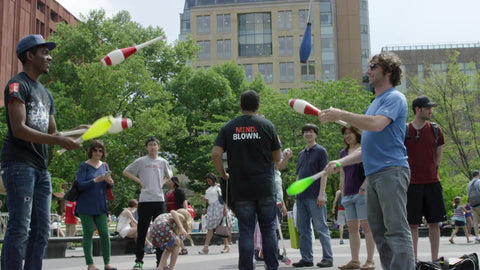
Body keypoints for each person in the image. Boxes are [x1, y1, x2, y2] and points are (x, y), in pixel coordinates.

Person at [320, 52, 415, 269]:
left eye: (373, 66)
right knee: (379, 233)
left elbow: (376, 124)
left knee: (396, 230)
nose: (368, 71)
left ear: (388, 71)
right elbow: (367, 149)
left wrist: (340, 113)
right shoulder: (374, 104)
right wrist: (340, 163)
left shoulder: (394, 98)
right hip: (373, 175)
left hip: (391, 172)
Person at [0, 34, 85, 269]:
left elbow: (54, 133)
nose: (50, 57)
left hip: (40, 169)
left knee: (42, 229)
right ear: (29, 56)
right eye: (44, 53)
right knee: (19, 225)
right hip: (18, 165)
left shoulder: (46, 94)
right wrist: (58, 142)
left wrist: (77, 132)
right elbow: (18, 129)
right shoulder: (17, 85)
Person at [211, 90, 281, 270]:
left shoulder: (228, 127)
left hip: (241, 188)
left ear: (240, 106)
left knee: (246, 231)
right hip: (265, 186)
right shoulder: (267, 125)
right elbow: (277, 158)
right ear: (258, 106)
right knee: (268, 229)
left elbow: (216, 154)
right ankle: (272, 266)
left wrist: (223, 173)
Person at [405, 95, 447, 262]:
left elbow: (439, 155)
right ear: (418, 109)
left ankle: (435, 259)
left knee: (435, 222)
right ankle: (413, 261)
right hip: (411, 184)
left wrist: (431, 171)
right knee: (412, 225)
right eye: (428, 107)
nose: (431, 111)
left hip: (432, 183)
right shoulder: (405, 130)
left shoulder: (436, 129)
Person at [123, 136, 173, 270]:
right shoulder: (141, 161)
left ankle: (160, 262)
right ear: (146, 147)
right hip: (145, 200)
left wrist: (162, 183)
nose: (152, 147)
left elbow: (170, 175)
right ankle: (139, 261)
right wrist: (139, 181)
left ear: (158, 147)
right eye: (150, 145)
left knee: (160, 231)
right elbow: (126, 171)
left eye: (154, 145)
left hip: (159, 200)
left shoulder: (163, 162)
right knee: (142, 230)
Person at [292, 124, 333, 268]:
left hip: (315, 196)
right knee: (303, 229)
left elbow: (325, 173)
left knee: (321, 227)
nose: (308, 134)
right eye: (305, 132)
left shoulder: (321, 151)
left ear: (316, 134)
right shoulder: (301, 153)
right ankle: (307, 258)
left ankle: (328, 258)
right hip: (301, 197)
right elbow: (299, 175)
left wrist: (322, 194)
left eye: (311, 132)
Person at [335, 126, 376, 270]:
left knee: (366, 227)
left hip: (362, 193)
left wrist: (363, 187)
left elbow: (372, 170)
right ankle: (354, 260)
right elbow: (342, 173)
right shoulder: (343, 152)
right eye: (345, 134)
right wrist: (343, 192)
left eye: (350, 133)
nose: (347, 136)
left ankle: (370, 260)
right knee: (352, 228)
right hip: (348, 194)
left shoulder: (364, 149)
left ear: (357, 134)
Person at [75, 140, 116, 270]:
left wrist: (110, 182)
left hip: (100, 205)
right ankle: (90, 264)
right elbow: (80, 185)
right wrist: (95, 180)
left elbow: (110, 186)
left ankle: (107, 263)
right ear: (90, 151)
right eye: (95, 150)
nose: (98, 153)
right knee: (88, 232)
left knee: (104, 233)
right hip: (85, 205)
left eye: (100, 150)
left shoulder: (105, 165)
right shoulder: (84, 166)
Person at [198, 173, 230, 254]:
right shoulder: (208, 189)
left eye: (209, 180)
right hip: (211, 208)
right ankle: (206, 247)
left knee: (221, 226)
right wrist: (204, 199)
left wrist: (225, 208)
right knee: (210, 227)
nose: (208, 182)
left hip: (219, 207)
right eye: (207, 181)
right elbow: (209, 200)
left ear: (213, 179)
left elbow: (223, 198)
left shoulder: (218, 187)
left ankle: (226, 245)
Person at [165, 176, 189, 255]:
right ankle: (180, 248)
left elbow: (184, 200)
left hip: (177, 212)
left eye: (169, 181)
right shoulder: (167, 192)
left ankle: (182, 248)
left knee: (176, 230)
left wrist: (185, 211)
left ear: (174, 182)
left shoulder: (179, 191)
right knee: (173, 231)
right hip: (168, 212)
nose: (167, 182)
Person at [467, 170, 480, 242]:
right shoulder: (478, 182)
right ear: (478, 175)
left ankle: (477, 237)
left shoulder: (469, 183)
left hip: (473, 205)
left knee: (475, 222)